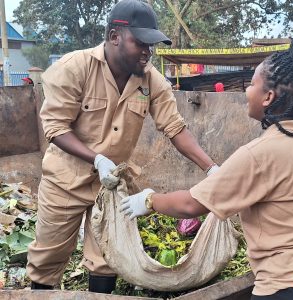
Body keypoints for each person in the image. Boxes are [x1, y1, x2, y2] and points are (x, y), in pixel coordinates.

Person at [120, 29, 293, 300]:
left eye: (251, 84)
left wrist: (148, 201)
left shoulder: (259, 153)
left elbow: (191, 205)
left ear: (268, 97)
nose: (247, 91)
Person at [26, 0, 218, 294]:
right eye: (140, 42)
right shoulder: (74, 68)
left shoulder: (151, 80)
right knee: (48, 257)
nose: (147, 52)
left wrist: (211, 168)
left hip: (111, 186)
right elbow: (55, 128)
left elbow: (175, 128)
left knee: (106, 258)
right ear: (115, 37)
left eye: (151, 45)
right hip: (65, 181)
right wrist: (98, 159)